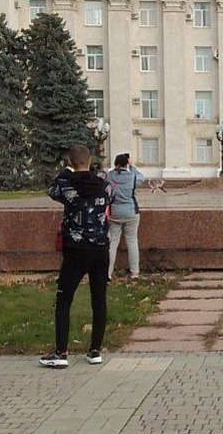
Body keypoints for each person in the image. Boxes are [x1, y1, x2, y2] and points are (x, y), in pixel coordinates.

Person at [41, 144, 111, 368]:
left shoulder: (65, 184)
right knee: (98, 299)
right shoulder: (104, 185)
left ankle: (61, 352)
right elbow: (111, 199)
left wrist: (67, 172)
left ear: (70, 163)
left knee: (64, 299)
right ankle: (95, 350)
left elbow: (52, 190)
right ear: (90, 161)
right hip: (100, 248)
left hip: (76, 249)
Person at [107, 152, 145, 280]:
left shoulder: (109, 176)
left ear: (116, 164)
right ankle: (135, 272)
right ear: (127, 164)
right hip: (131, 212)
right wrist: (132, 166)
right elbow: (142, 177)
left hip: (114, 212)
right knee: (132, 241)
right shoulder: (133, 176)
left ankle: (108, 273)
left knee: (112, 243)